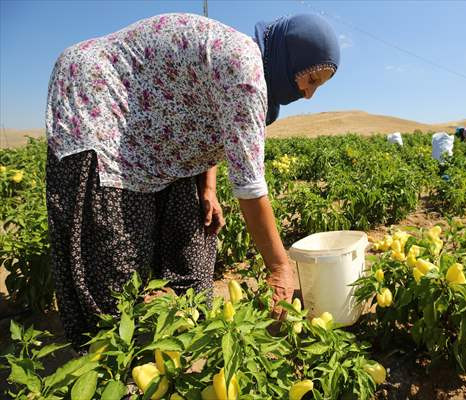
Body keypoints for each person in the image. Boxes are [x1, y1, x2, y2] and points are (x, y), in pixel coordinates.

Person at [45, 12, 340, 346]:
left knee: (194, 240)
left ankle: (177, 336)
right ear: (293, 56)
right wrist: (279, 266)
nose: (308, 95)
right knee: (116, 264)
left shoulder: (246, 70)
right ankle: (114, 364)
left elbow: (205, 117)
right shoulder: (248, 72)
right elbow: (250, 186)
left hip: (157, 134)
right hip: (96, 99)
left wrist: (209, 187)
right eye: (311, 79)